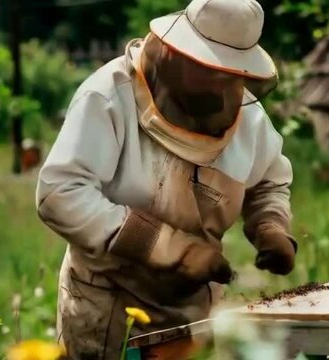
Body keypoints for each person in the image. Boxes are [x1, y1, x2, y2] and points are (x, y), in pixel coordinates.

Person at [35, 0, 297, 358]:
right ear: (176, 52)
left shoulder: (248, 118)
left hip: (196, 313)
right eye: (209, 70)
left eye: (230, 75)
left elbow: (268, 180)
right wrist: (166, 245)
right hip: (110, 309)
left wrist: (271, 226)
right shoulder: (108, 96)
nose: (220, 86)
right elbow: (59, 194)